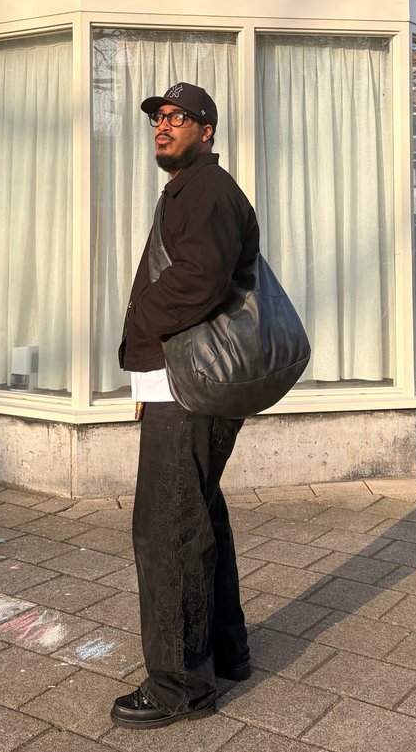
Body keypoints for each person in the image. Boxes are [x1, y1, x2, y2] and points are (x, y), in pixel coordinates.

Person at [111, 82, 259, 729]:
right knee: (198, 513)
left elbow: (200, 277)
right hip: (191, 383)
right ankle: (225, 651)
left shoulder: (205, 191)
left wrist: (142, 321)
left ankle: (178, 684)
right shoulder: (193, 188)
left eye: (176, 117)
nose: (162, 126)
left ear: (206, 127)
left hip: (189, 384)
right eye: (157, 118)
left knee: (167, 527)